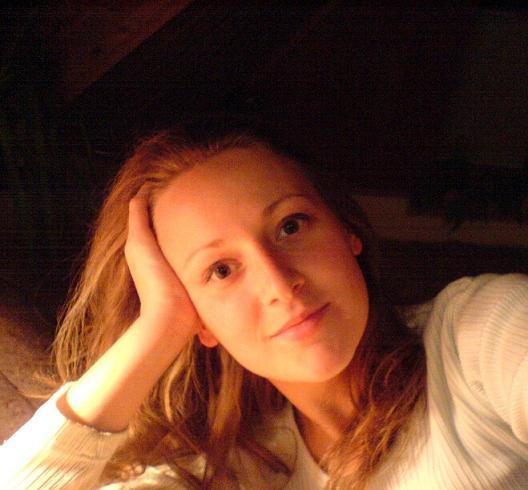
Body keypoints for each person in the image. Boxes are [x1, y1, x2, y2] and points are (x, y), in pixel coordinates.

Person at [1, 116, 527, 489]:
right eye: (221, 270)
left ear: (346, 230)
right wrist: (157, 328)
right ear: (197, 319)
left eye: (290, 226)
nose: (279, 283)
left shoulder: (481, 336)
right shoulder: (232, 474)